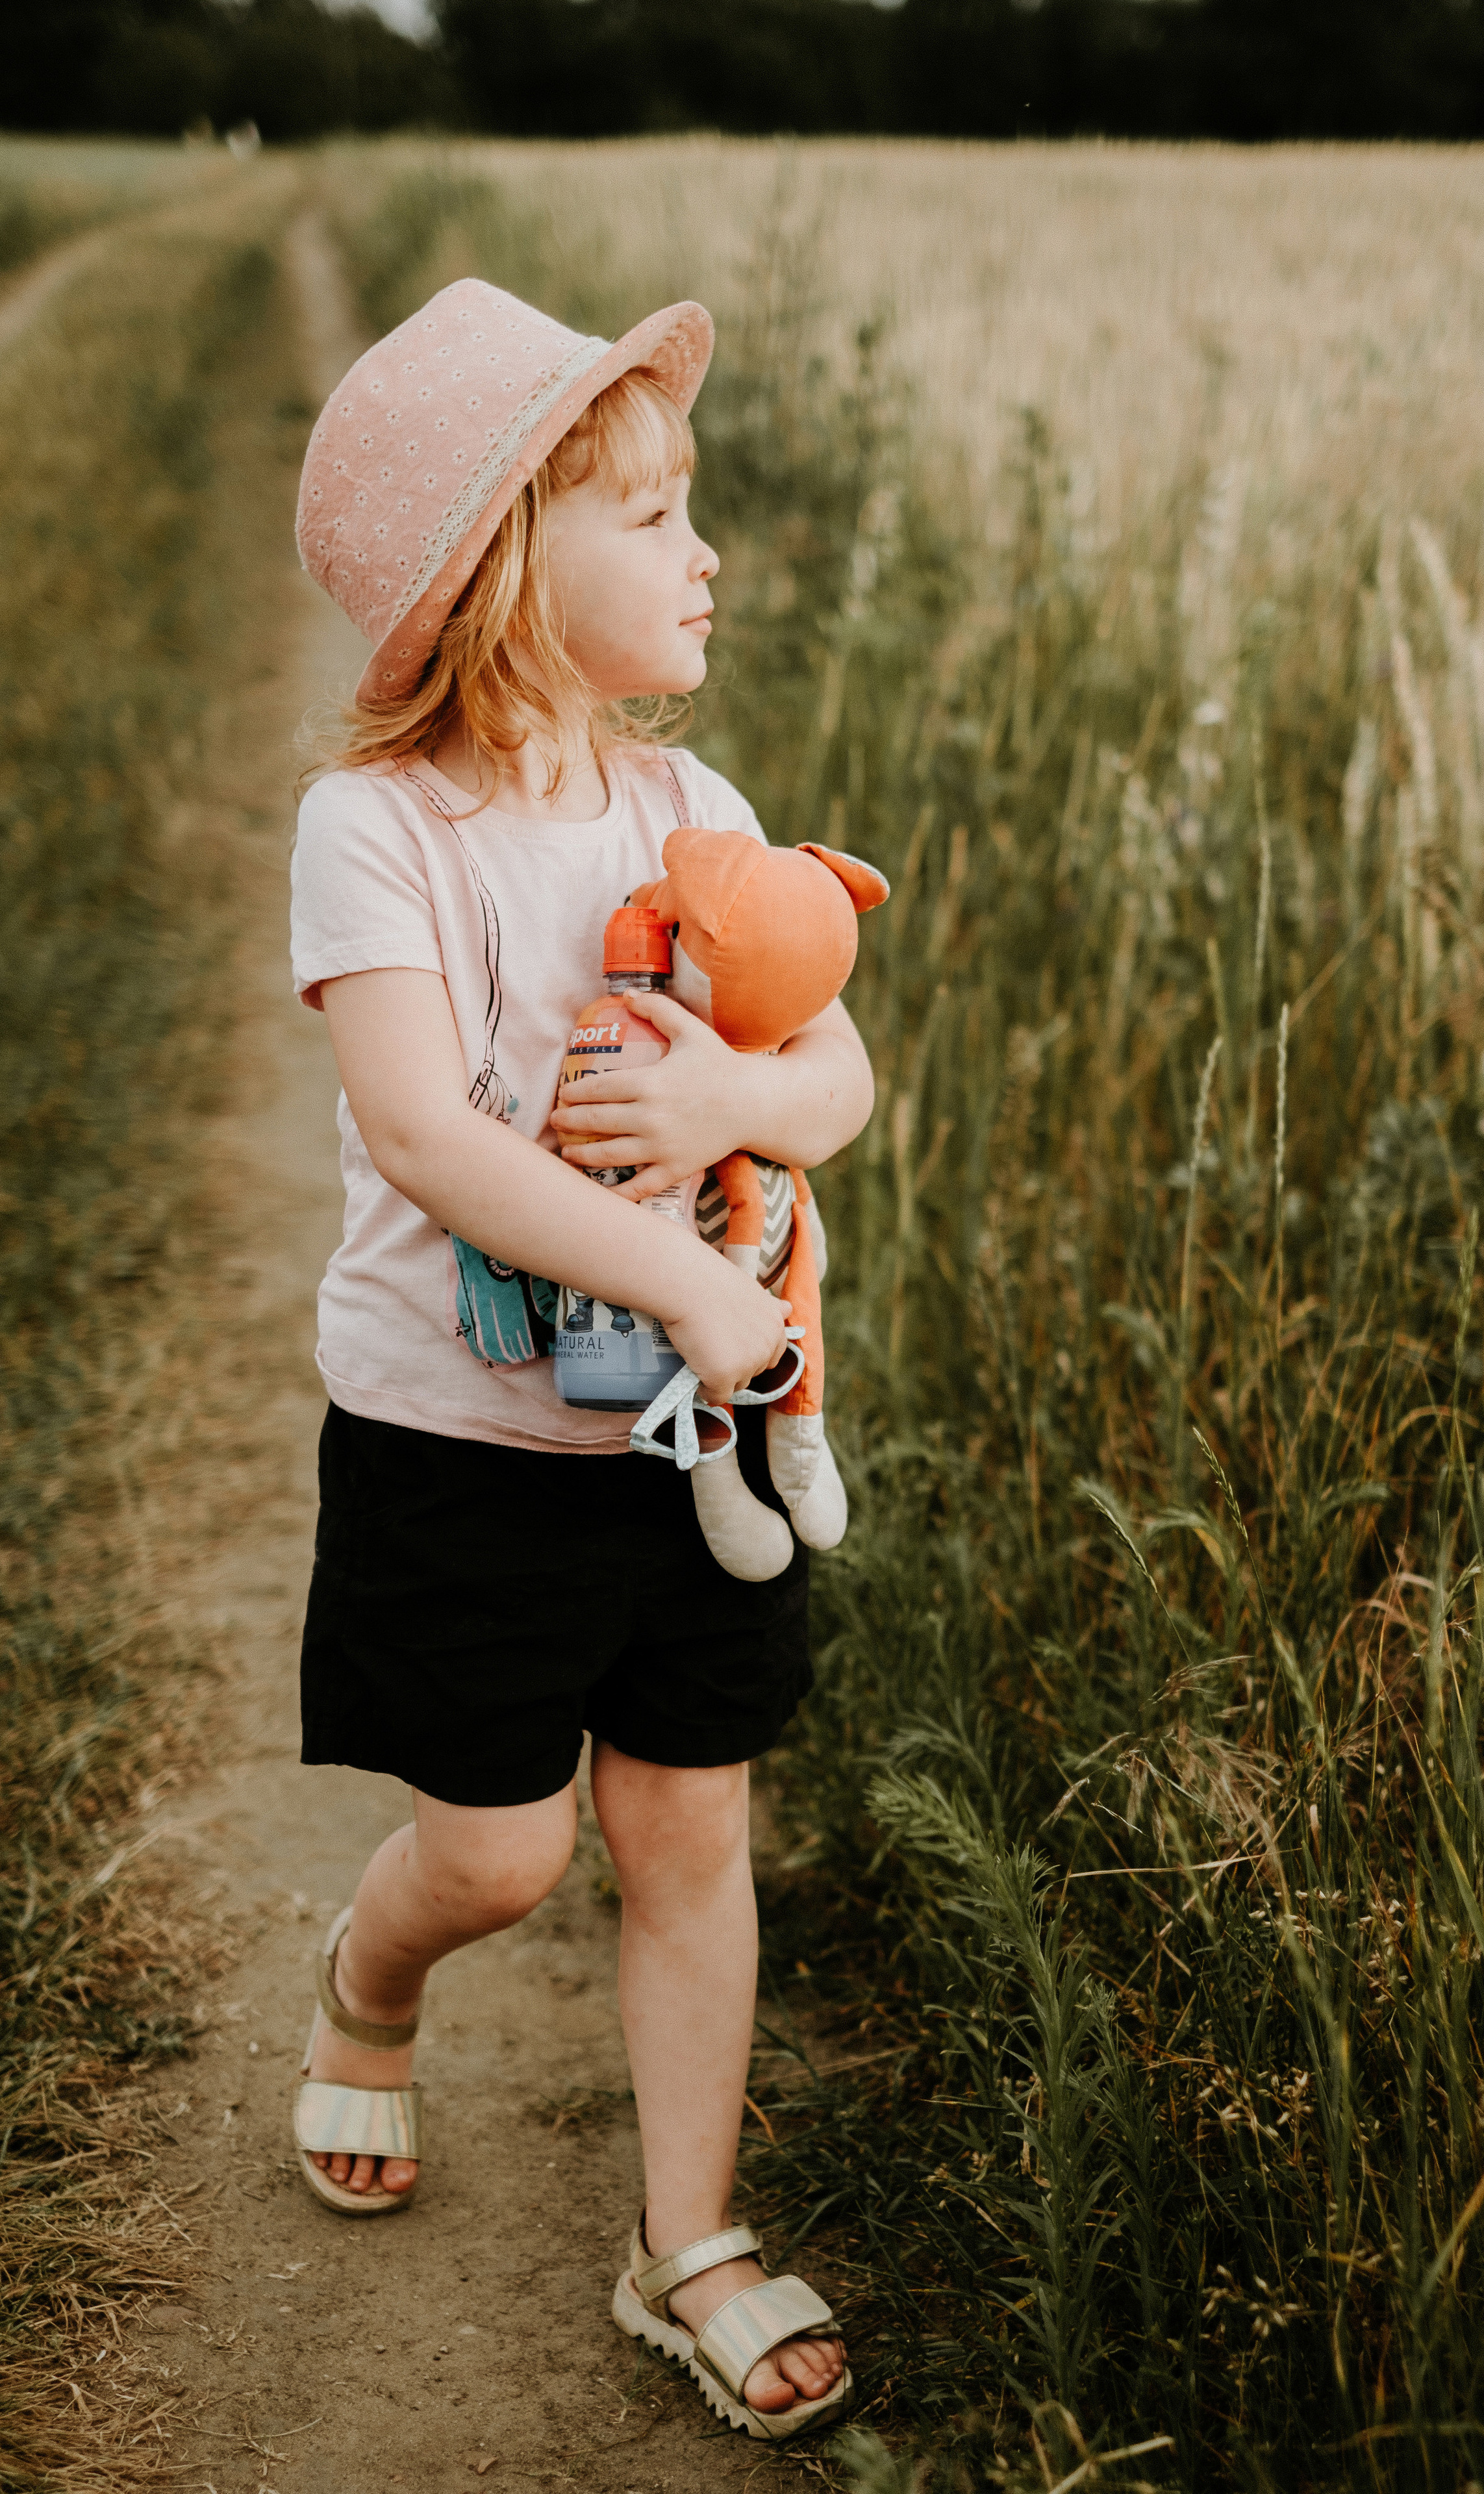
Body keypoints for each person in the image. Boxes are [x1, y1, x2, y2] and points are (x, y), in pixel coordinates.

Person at [286, 279, 868, 2441]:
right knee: (504, 1853)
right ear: (505, 575)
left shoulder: (689, 801)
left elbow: (837, 1070)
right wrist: (697, 1284)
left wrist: (735, 1120)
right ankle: (371, 1980)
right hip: (467, 1444)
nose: (702, 552)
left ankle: (686, 2238)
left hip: (685, 1436)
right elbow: (430, 1134)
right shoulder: (381, 838)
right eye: (650, 512)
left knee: (688, 1830)